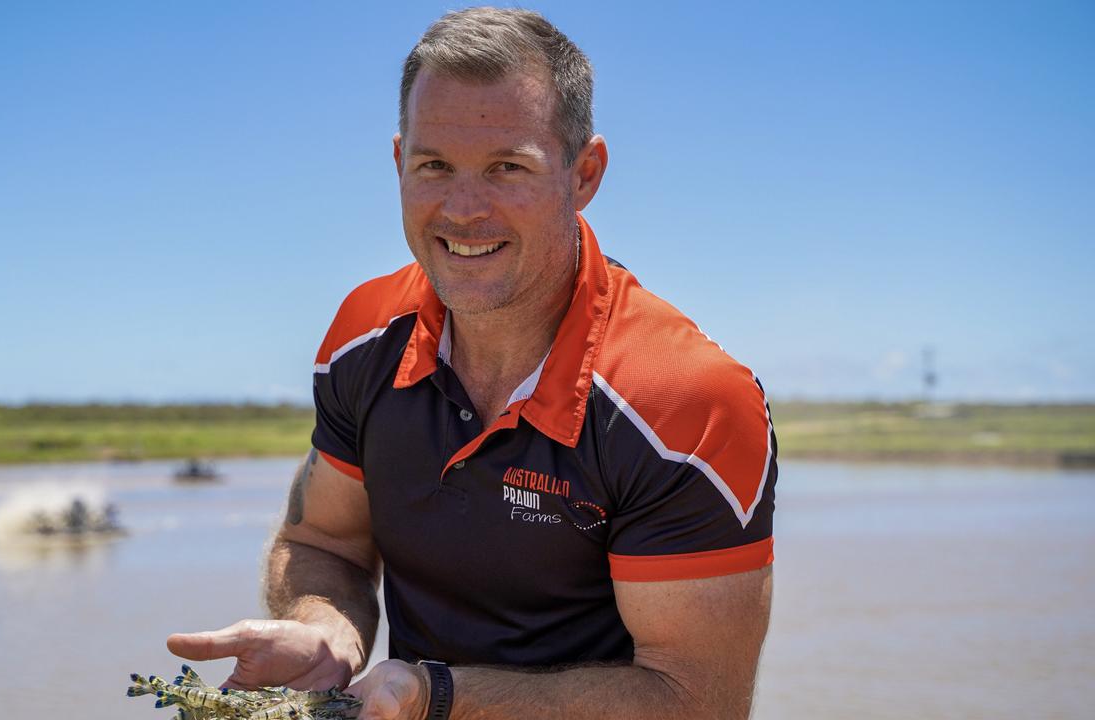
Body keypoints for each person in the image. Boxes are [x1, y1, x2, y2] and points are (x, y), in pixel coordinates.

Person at [167, 7, 777, 719]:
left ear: (585, 174)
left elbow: (696, 703)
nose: (462, 210)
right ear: (398, 163)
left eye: (506, 168)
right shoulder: (365, 338)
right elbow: (324, 540)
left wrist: (438, 698)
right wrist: (325, 634)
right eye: (434, 166)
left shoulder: (685, 403)